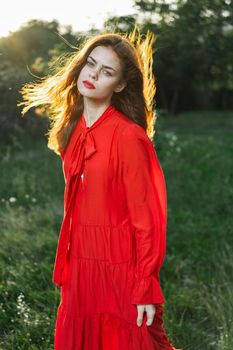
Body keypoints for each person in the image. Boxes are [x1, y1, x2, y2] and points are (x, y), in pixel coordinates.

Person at [18, 26, 179, 350]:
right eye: (91, 63)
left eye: (106, 72)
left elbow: (147, 218)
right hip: (80, 260)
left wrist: (145, 285)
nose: (93, 74)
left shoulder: (128, 137)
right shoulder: (72, 129)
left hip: (120, 265)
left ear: (119, 85)